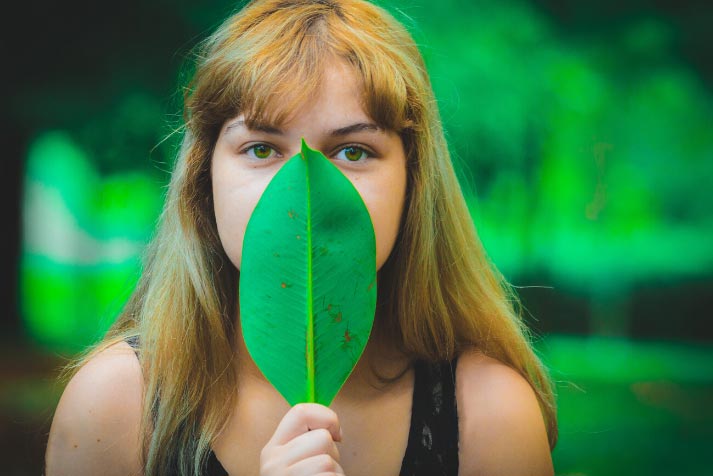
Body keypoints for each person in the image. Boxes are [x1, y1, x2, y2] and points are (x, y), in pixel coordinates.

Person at [45, 0, 558, 475]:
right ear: (206, 178)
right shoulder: (114, 407)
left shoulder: (491, 415)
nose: (303, 194)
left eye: (353, 151)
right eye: (262, 148)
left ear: (414, 183)